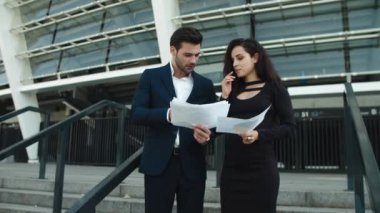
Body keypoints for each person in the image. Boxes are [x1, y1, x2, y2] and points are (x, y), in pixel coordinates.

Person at [130, 27, 216, 213]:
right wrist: (167, 115)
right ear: (173, 50)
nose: (193, 60)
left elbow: (213, 124)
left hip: (192, 165)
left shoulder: (205, 85)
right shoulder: (151, 77)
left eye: (197, 55)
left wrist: (207, 136)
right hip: (159, 164)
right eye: (187, 55)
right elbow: (136, 114)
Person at [219, 38, 296, 213]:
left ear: (255, 57)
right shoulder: (232, 90)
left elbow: (289, 127)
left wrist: (259, 135)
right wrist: (223, 97)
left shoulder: (275, 88)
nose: (235, 63)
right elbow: (217, 127)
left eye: (240, 58)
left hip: (261, 170)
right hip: (232, 170)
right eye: (232, 60)